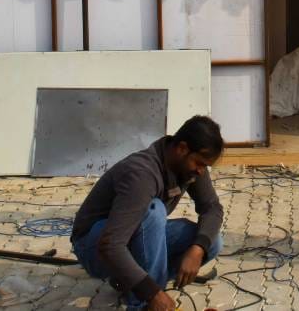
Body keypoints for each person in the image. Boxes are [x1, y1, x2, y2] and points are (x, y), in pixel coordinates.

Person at [72, 115, 225, 311]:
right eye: (200, 163)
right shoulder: (142, 173)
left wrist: (197, 249)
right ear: (182, 149)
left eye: (205, 166)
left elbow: (212, 208)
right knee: (154, 211)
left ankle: (132, 283)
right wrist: (153, 293)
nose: (201, 171)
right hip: (93, 246)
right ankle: (144, 301)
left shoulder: (191, 168)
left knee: (210, 242)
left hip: (126, 238)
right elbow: (110, 245)